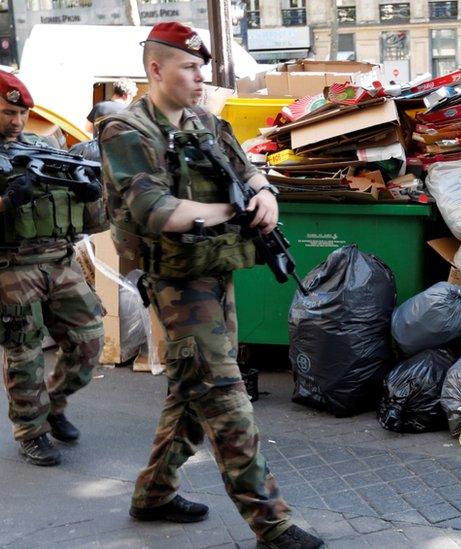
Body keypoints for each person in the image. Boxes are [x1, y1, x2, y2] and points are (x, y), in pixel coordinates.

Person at [98, 22, 324, 549]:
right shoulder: (127, 132)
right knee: (225, 399)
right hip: (178, 285)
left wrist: (265, 196)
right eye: (189, 68)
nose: (202, 78)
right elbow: (154, 210)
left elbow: (250, 170)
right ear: (156, 69)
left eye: (202, 68)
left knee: (188, 391)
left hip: (216, 273)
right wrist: (231, 211)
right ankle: (273, 523)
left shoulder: (204, 122)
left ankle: (153, 494)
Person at [0, 70, 107, 466]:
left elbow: (88, 216)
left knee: (89, 339)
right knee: (24, 354)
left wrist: (86, 191)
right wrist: (3, 202)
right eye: (9, 112)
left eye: (23, 114)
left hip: (60, 260)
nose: (16, 121)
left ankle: (54, 403)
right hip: (9, 265)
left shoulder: (41, 145)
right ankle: (31, 431)